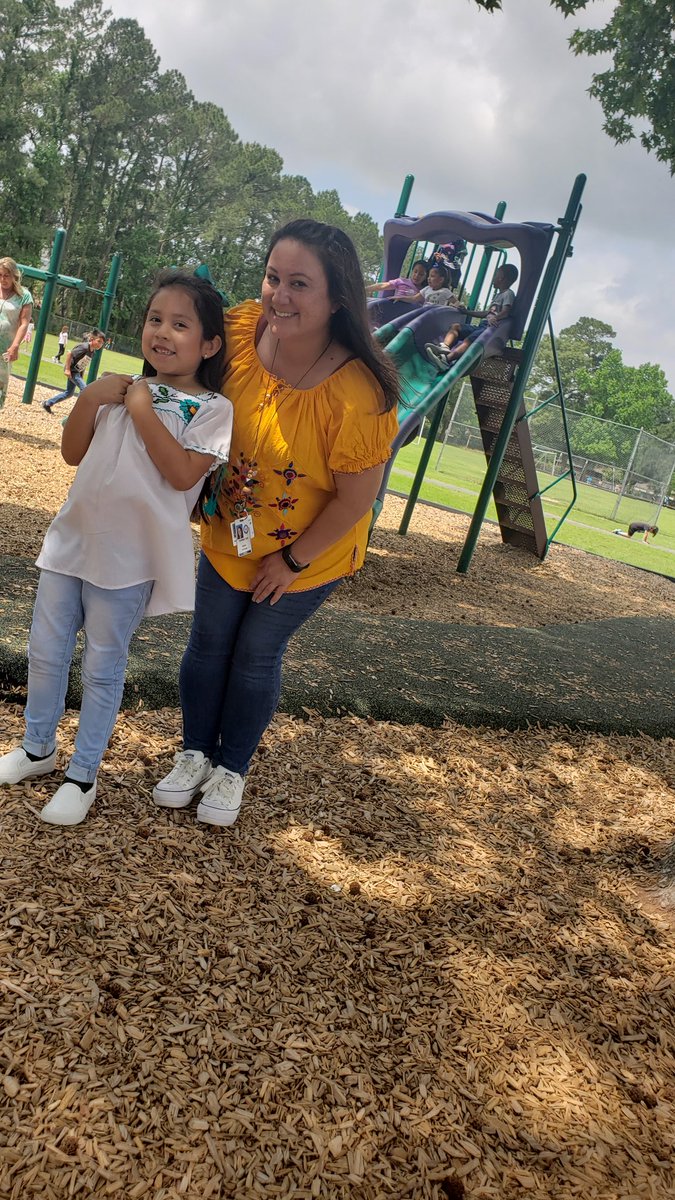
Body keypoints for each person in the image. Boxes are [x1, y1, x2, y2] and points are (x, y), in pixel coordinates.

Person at [152, 218, 399, 828]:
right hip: (231, 531)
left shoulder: (357, 394)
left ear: (337, 298)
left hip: (308, 552)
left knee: (255, 652)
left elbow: (354, 501)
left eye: (299, 284)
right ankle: (194, 754)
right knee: (209, 645)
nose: (279, 296)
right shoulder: (240, 330)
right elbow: (181, 371)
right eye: (272, 277)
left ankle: (230, 768)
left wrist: (290, 563)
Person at [0, 271, 233, 826]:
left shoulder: (212, 409)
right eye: (155, 319)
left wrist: (142, 405)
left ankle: (82, 775)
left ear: (209, 344)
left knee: (103, 668)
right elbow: (72, 453)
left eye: (181, 324)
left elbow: (180, 475)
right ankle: (37, 748)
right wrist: (92, 400)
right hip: (71, 542)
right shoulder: (121, 384)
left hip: (129, 560)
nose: (163, 332)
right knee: (45, 651)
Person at [425, 263, 519, 370]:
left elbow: (506, 312)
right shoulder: (498, 295)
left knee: (469, 341)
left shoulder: (508, 294)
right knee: (455, 327)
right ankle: (444, 347)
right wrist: (467, 312)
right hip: (482, 326)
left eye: (495, 275)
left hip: (489, 329)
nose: (493, 278)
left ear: (501, 278)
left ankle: (447, 360)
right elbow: (486, 313)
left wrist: (495, 318)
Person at [42, 329, 105, 412]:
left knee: (69, 393)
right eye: (99, 341)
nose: (100, 345)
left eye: (102, 343)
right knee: (85, 389)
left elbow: (83, 364)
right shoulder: (84, 347)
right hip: (72, 371)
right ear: (92, 339)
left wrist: (81, 376)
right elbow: (69, 354)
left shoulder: (92, 352)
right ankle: (77, 411)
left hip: (77, 372)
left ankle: (47, 403)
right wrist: (67, 369)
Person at [0, 257, 33, 409]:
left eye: (6, 275)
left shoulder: (24, 296)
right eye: (0, 275)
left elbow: (24, 323)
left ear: (14, 275)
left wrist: (15, 345)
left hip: (5, 348)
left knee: (1, 381)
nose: (2, 279)